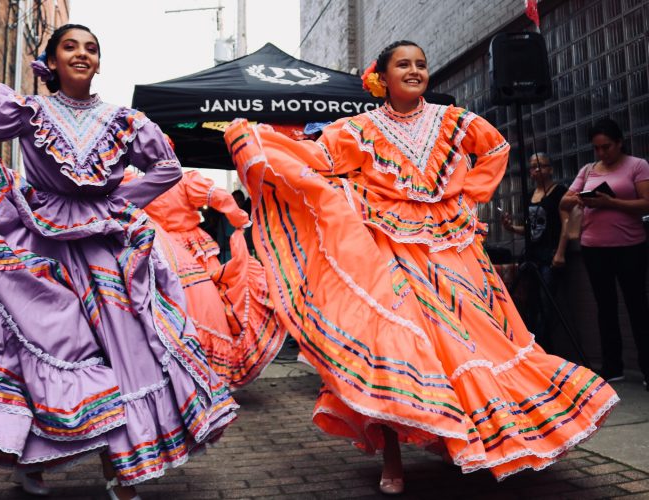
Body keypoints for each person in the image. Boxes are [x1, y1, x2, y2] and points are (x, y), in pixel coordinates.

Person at [224, 40, 618, 494]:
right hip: (389, 250)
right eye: (403, 65)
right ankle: (393, 460)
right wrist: (260, 142)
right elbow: (319, 161)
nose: (415, 70)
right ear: (382, 78)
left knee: (471, 344)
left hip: (454, 251)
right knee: (397, 348)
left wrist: (468, 198)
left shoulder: (453, 121)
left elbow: (495, 149)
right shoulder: (358, 130)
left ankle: (468, 437)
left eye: (421, 64)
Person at [0, 25, 237, 500]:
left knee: (125, 352)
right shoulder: (29, 110)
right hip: (38, 243)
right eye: (70, 46)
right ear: (51, 62)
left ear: (98, 63)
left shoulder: (124, 120)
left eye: (91, 48)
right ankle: (32, 457)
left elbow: (167, 168)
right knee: (43, 346)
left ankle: (124, 470)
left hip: (104, 248)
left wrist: (115, 201)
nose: (82, 54)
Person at [137, 168, 285, 388]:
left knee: (170, 308)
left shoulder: (140, 184)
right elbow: (220, 197)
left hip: (161, 248)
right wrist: (239, 219)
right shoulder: (184, 180)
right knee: (215, 304)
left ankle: (179, 373)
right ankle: (207, 371)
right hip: (191, 249)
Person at [560, 118, 649, 390]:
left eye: (606, 147)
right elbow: (564, 200)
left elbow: (646, 203)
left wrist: (611, 202)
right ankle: (613, 367)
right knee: (605, 307)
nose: (602, 153)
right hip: (593, 247)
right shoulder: (589, 170)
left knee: (637, 307)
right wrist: (579, 198)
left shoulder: (637, 165)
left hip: (630, 246)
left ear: (619, 143)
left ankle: (647, 368)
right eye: (597, 148)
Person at [501, 152, 568, 349]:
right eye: (532, 167)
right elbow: (532, 229)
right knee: (529, 301)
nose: (536, 170)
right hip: (532, 255)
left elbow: (565, 223)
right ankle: (532, 345)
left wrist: (560, 252)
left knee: (547, 303)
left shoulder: (559, 192)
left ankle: (546, 346)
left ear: (550, 169)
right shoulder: (530, 195)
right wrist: (511, 228)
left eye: (541, 165)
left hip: (550, 254)